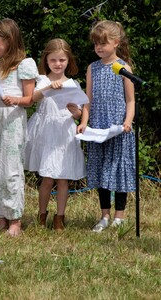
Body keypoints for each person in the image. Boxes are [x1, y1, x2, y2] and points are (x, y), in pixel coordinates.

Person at [0, 18, 38, 237]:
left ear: (9, 39)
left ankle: (15, 219)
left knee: (9, 168)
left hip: (12, 118)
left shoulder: (25, 64)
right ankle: (1, 216)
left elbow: (30, 99)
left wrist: (15, 99)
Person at [77, 20, 136, 232]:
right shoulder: (92, 68)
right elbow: (87, 99)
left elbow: (130, 100)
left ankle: (119, 216)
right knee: (101, 170)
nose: (99, 48)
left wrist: (127, 121)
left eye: (103, 43)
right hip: (99, 128)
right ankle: (104, 216)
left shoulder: (123, 67)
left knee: (119, 170)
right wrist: (84, 122)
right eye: (96, 44)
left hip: (119, 128)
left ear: (116, 43)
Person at [25, 39, 86, 231]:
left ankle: (60, 217)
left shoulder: (73, 83)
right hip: (45, 131)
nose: (58, 64)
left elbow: (80, 112)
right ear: (46, 60)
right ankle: (42, 215)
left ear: (69, 61)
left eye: (62, 60)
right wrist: (49, 87)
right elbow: (32, 98)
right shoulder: (42, 80)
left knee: (62, 177)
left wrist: (76, 112)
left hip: (63, 131)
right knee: (47, 177)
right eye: (53, 60)